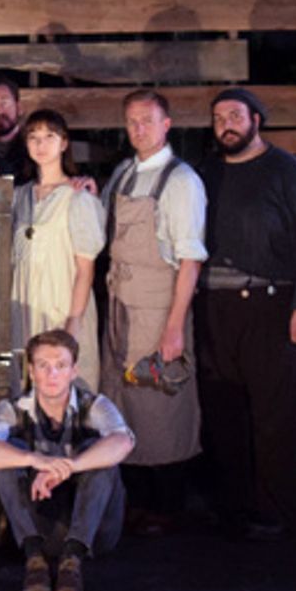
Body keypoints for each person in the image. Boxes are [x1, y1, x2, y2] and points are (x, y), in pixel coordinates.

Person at [197, 87, 296, 542]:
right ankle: (233, 506)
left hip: (275, 304)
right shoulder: (207, 173)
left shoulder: (288, 172)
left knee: (277, 414)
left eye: (235, 115)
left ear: (258, 120)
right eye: (218, 118)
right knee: (224, 411)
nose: (226, 125)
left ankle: (272, 509)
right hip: (216, 308)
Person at [99, 89, 208, 537]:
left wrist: (174, 327)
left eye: (147, 120)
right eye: (132, 122)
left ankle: (167, 505)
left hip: (159, 306)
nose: (139, 129)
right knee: (123, 401)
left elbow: (190, 260)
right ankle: (138, 501)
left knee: (161, 404)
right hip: (120, 305)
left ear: (167, 124)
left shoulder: (181, 181)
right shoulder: (124, 173)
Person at [0, 330, 134, 591]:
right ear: (32, 372)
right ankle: (35, 561)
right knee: (10, 452)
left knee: (99, 452)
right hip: (39, 530)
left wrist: (69, 466)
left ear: (73, 371)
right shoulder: (14, 408)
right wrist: (35, 460)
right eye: (44, 366)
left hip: (93, 534)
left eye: (60, 366)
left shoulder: (94, 405)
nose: (52, 374)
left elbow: (123, 442)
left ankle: (73, 560)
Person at [10, 108, 106, 394]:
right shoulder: (19, 196)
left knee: (66, 390)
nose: (41, 144)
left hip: (62, 306)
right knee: (26, 390)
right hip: (26, 307)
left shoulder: (78, 198)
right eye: (34, 137)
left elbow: (85, 269)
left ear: (64, 143)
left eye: (49, 136)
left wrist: (72, 324)